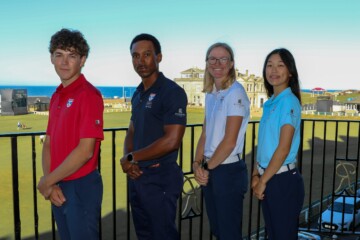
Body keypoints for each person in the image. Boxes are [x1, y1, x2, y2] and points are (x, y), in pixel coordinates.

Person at [37, 28, 104, 240]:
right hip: (59, 184)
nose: (64, 62)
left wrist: (48, 182)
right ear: (51, 58)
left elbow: (85, 151)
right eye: (59, 55)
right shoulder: (57, 96)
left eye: (72, 56)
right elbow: (48, 143)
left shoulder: (88, 95)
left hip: (81, 186)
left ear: (82, 60)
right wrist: (52, 182)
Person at [119, 33, 187, 240]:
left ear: (159, 57)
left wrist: (131, 158)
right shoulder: (138, 93)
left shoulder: (171, 92)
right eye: (135, 56)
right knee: (144, 234)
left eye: (147, 54)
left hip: (160, 179)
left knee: (162, 235)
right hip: (137, 176)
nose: (141, 61)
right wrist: (129, 160)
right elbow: (132, 130)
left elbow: (171, 140)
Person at [193, 42, 250, 239]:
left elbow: (229, 141)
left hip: (227, 171)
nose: (217, 63)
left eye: (223, 58)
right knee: (218, 230)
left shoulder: (236, 93)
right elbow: (205, 133)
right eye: (212, 58)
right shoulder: (211, 94)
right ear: (207, 63)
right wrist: (196, 164)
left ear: (231, 63)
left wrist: (205, 168)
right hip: (213, 168)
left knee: (229, 233)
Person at [251, 48, 305, 239]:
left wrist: (262, 181)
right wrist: (256, 174)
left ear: (290, 72)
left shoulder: (289, 102)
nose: (273, 70)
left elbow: (283, 148)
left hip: (282, 181)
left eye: (280, 65)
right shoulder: (272, 102)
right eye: (269, 65)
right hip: (269, 177)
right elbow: (265, 144)